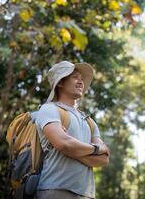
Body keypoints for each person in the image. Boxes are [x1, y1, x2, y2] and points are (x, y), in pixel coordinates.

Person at [35, 61, 110, 199]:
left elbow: (104, 159)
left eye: (82, 79)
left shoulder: (89, 121)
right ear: (60, 83)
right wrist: (95, 149)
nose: (81, 82)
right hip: (55, 190)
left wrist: (72, 149)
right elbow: (63, 144)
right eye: (75, 77)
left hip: (86, 195)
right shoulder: (49, 109)